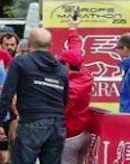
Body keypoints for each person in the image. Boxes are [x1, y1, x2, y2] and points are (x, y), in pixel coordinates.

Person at [0, 29, 68, 164]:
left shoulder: (21, 63)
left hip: (32, 121)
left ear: (29, 44)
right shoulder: (61, 68)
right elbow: (65, 99)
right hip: (57, 123)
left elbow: (7, 94)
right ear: (51, 45)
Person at [57, 21, 93, 164]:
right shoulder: (84, 73)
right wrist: (73, 29)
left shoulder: (72, 87)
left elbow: (62, 111)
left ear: (66, 65)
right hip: (83, 130)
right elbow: (75, 47)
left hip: (70, 136)